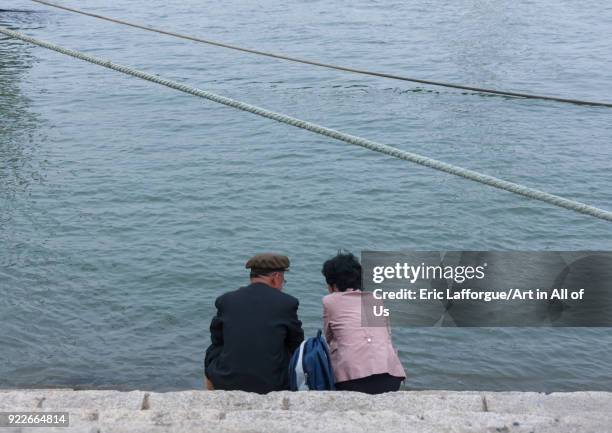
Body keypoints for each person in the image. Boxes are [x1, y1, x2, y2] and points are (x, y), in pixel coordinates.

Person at [204, 253, 304, 394]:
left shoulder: (226, 300)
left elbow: (217, 339)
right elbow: (296, 344)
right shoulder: (287, 303)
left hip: (226, 380)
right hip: (273, 384)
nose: (282, 284)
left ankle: (212, 391)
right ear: (276, 277)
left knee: (213, 350)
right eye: (283, 279)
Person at [322, 252, 406, 393]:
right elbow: (387, 335)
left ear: (333, 285)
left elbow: (328, 337)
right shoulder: (375, 299)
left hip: (352, 380)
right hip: (391, 377)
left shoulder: (330, 301)